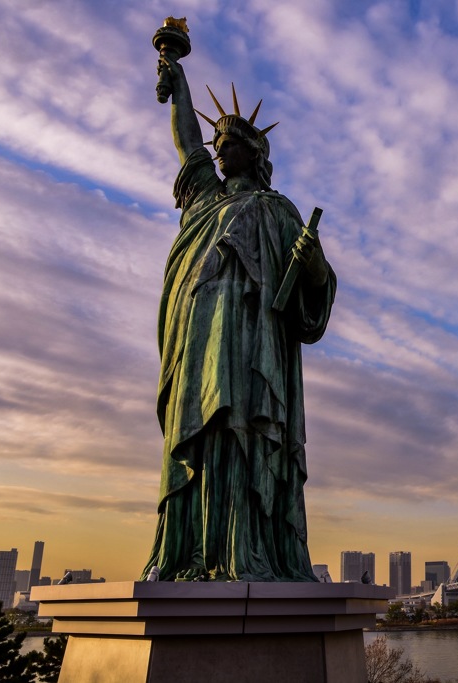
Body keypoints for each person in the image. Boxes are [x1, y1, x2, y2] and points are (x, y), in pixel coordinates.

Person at [141, 53, 335, 582]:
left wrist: (312, 262)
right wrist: (177, 81)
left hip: (253, 341)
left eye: (230, 144)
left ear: (254, 154)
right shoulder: (202, 199)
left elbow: (315, 288)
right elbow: (186, 141)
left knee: (242, 429)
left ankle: (246, 550)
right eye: (218, 144)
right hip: (198, 334)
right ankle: (187, 552)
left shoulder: (278, 210)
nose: (220, 150)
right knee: (199, 433)